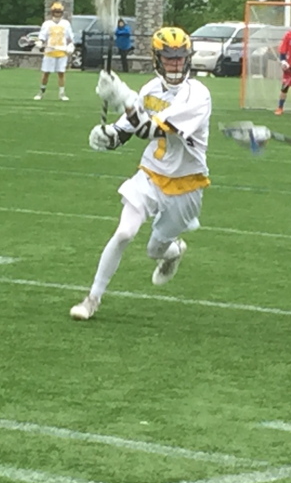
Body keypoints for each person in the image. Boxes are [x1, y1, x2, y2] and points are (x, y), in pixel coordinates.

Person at [70, 27, 211, 321]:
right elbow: (126, 131)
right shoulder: (150, 90)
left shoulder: (197, 94)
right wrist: (107, 135)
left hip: (186, 185)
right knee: (124, 233)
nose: (175, 63)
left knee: (154, 249)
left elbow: (150, 130)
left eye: (180, 57)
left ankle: (172, 251)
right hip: (150, 173)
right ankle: (92, 299)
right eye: (168, 58)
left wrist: (123, 95)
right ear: (157, 59)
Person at [34, 1, 74, 101]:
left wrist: (70, 46)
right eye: (56, 12)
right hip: (49, 52)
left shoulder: (66, 24)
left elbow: (70, 38)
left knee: (61, 73)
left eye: (59, 12)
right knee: (46, 73)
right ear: (52, 12)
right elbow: (42, 37)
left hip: (62, 53)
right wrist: (40, 43)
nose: (57, 14)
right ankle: (41, 93)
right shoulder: (47, 24)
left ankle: (62, 94)